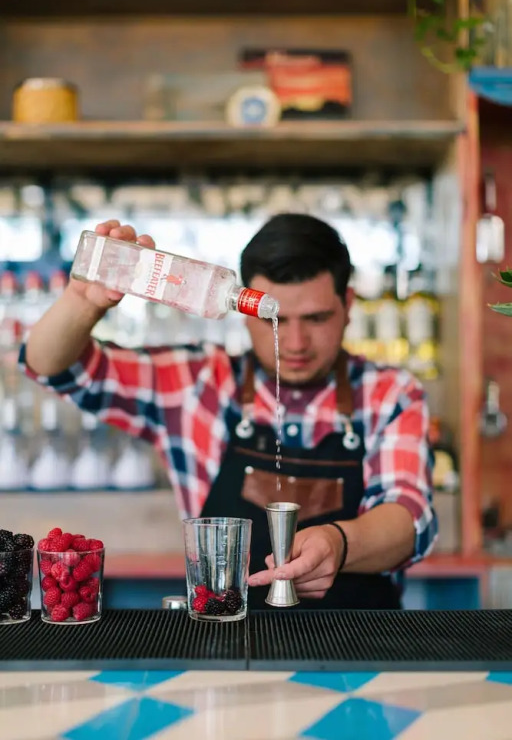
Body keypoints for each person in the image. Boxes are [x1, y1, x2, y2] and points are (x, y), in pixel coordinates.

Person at [20, 214, 438, 609]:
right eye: (275, 319)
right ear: (245, 310)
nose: (295, 342)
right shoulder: (197, 381)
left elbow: (409, 520)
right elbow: (52, 368)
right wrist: (82, 303)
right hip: (220, 641)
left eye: (316, 318)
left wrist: (338, 543)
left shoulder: (389, 393)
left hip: (359, 642)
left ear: (348, 305)